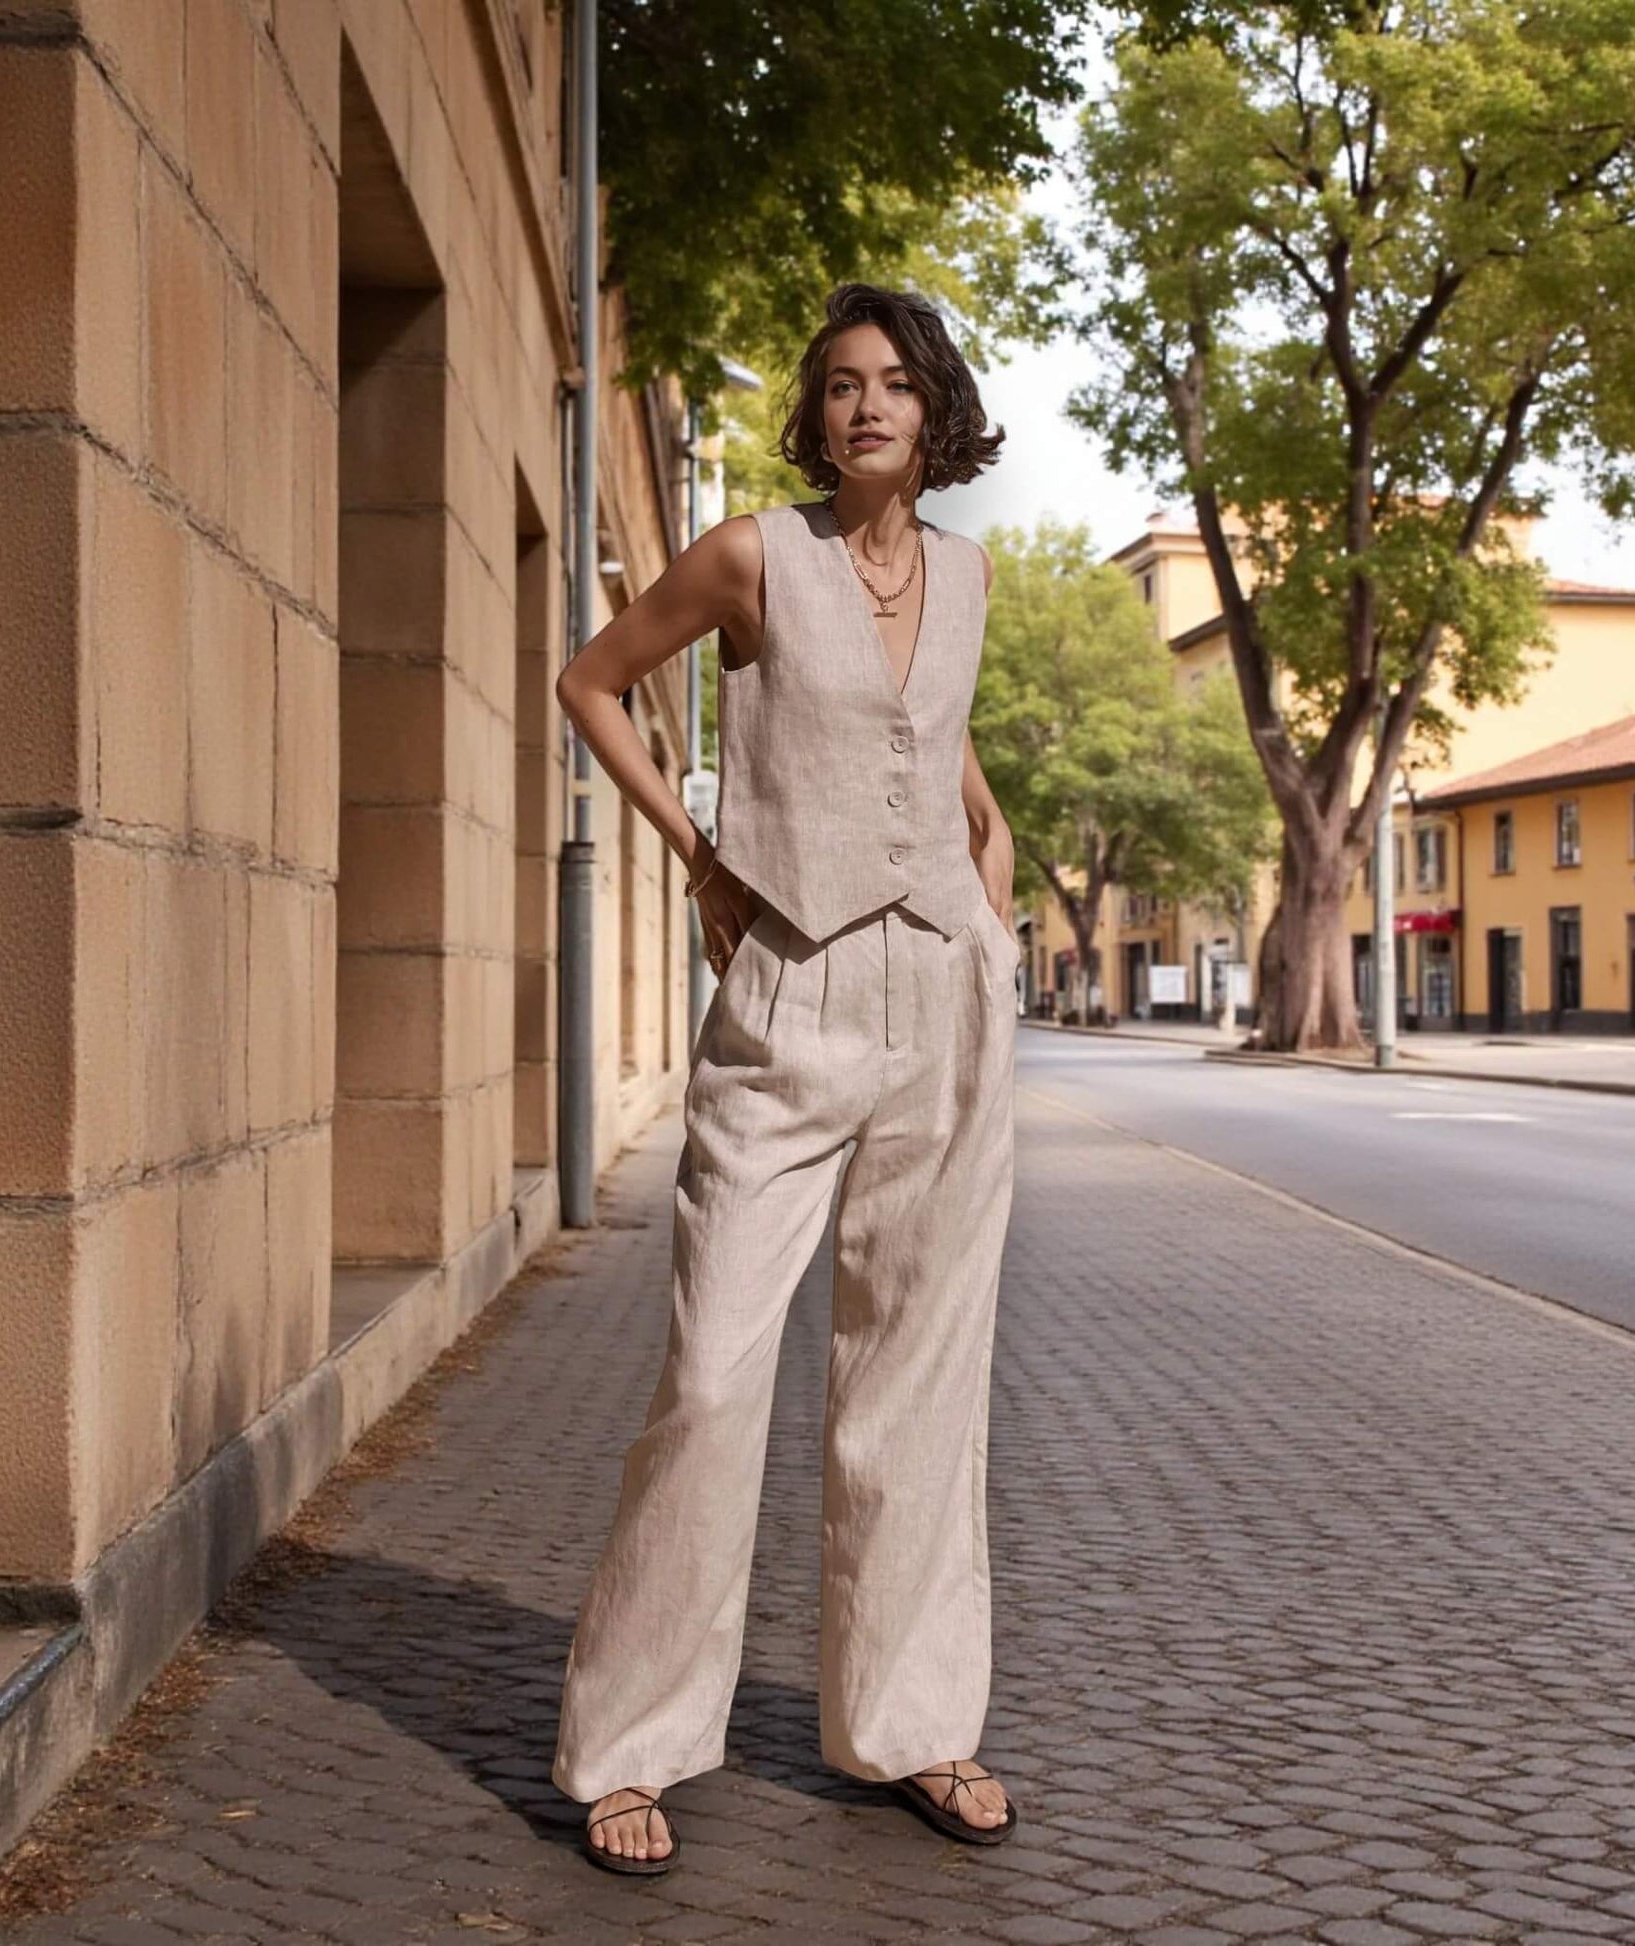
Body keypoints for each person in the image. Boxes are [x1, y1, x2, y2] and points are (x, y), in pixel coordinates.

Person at [551, 282, 1020, 1874]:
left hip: (941, 1000)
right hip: (791, 998)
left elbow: (933, 748)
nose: (865, 406)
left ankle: (911, 1726)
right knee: (710, 1376)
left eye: (893, 383)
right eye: (838, 385)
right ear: (813, 415)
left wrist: (995, 878)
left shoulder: (963, 574)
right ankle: (629, 1744)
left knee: (918, 1380)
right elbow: (590, 679)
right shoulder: (755, 554)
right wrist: (699, 851)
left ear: (933, 408)